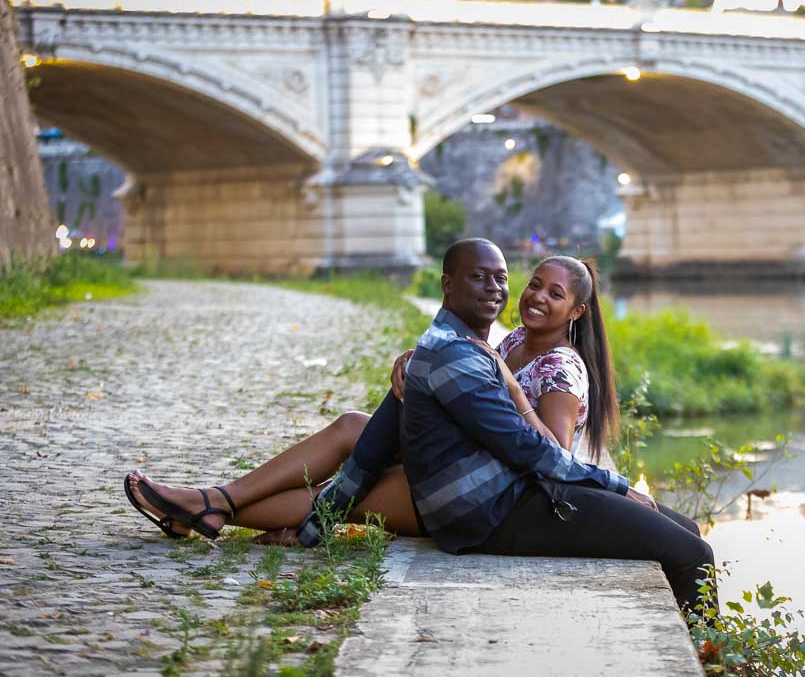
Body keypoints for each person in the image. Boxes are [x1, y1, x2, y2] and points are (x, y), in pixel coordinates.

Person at [125, 242, 713, 609]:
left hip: (511, 477)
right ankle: (213, 503)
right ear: (449, 285)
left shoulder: (555, 366)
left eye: (550, 292)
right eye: (531, 283)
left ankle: (213, 505)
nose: (527, 295)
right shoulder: (499, 344)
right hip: (490, 494)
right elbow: (502, 417)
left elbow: (546, 452)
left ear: (576, 311)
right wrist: (427, 365)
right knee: (356, 452)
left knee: (350, 486)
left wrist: (479, 382)